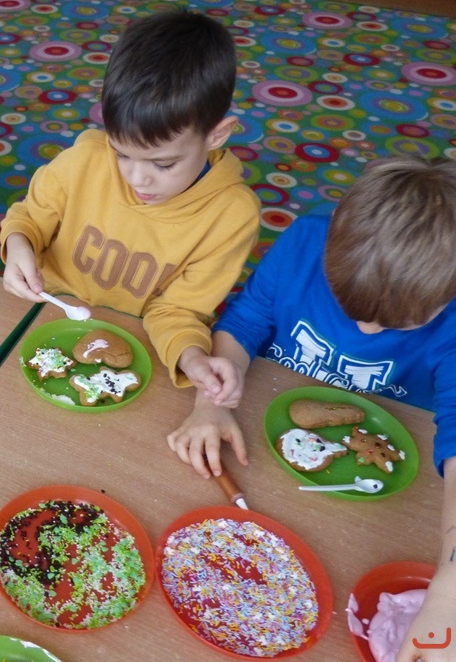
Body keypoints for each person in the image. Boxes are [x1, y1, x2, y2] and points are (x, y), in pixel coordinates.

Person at [161, 156, 456, 662]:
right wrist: (211, 402)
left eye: (398, 324)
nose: (366, 330)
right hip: (264, 429)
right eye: (347, 304)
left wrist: (449, 589)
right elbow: (247, 320)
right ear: (333, 237)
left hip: (379, 485)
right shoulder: (303, 241)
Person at [0, 8, 260, 393]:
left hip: (137, 346)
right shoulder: (84, 161)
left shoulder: (231, 217)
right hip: (41, 315)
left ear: (216, 135)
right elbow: (29, 219)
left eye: (163, 163)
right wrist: (19, 244)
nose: (136, 178)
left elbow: (179, 312)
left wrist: (192, 358)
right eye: (121, 153)